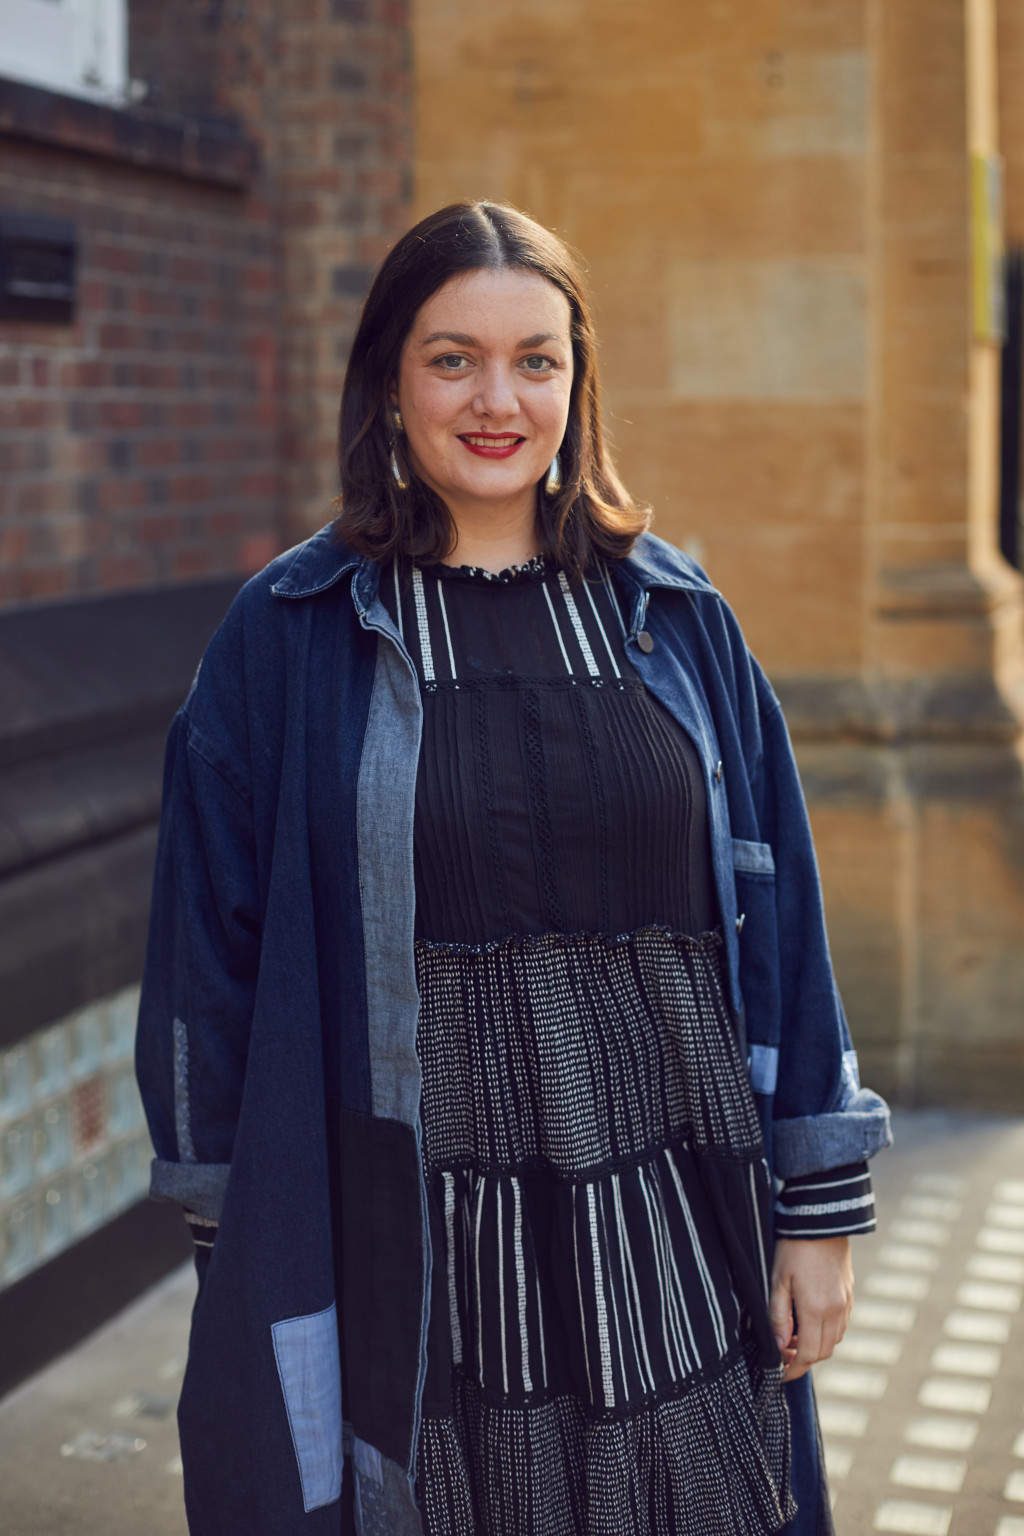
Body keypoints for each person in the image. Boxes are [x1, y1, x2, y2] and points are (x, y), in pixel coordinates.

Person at [136, 201, 891, 1536]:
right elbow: (207, 955)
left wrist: (817, 1209)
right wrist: (236, 1228)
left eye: (537, 360)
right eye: (454, 359)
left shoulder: (676, 618)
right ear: (386, 380)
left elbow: (781, 921)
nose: (499, 400)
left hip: (672, 1210)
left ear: (578, 383)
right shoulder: (290, 638)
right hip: (410, 1242)